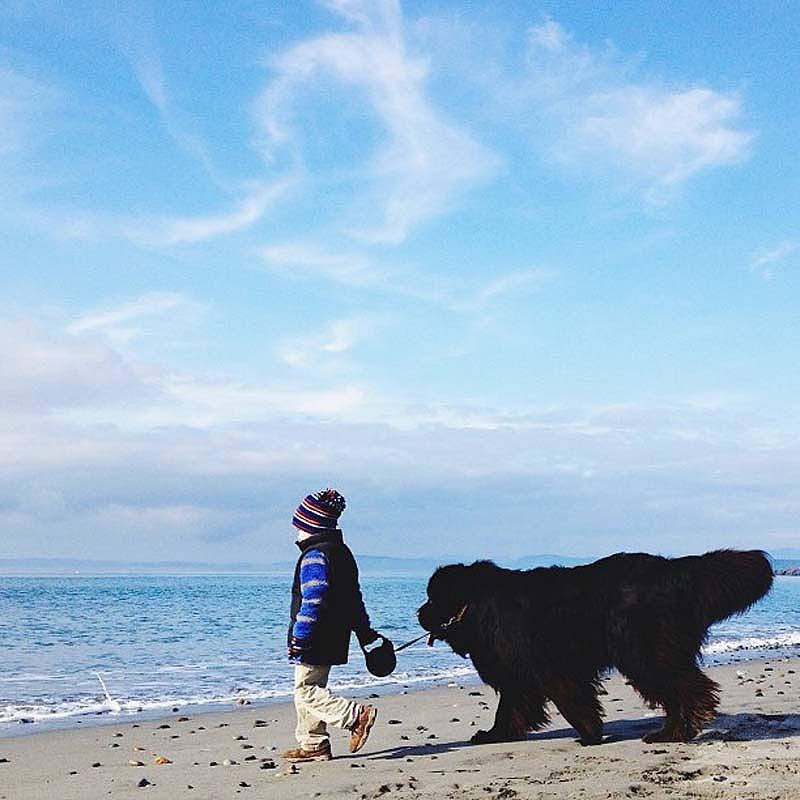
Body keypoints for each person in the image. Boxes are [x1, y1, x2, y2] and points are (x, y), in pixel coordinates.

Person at [282, 488, 381, 762]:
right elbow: (354, 598)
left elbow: (313, 600)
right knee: (311, 688)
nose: (296, 534)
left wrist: (300, 636)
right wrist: (364, 632)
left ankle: (356, 716)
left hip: (315, 636)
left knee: (306, 691)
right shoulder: (343, 554)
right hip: (336, 635)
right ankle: (314, 745)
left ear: (311, 526)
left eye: (299, 527)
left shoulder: (315, 556)